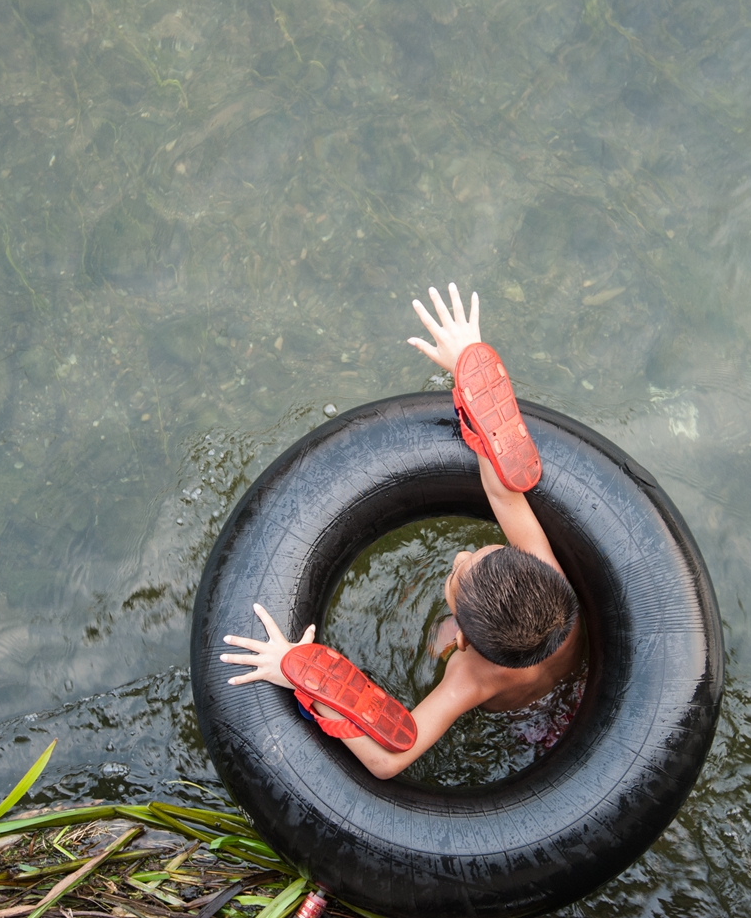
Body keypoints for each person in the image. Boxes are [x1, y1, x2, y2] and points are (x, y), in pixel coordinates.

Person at [220, 283, 582, 779]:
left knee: (438, 640)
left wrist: (300, 673)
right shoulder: (553, 588)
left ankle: (381, 664)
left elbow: (391, 760)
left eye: (457, 574)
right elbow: (505, 492)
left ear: (471, 645)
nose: (460, 555)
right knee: (444, 633)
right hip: (569, 679)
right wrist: (470, 375)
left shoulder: (471, 675)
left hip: (530, 725)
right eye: (479, 553)